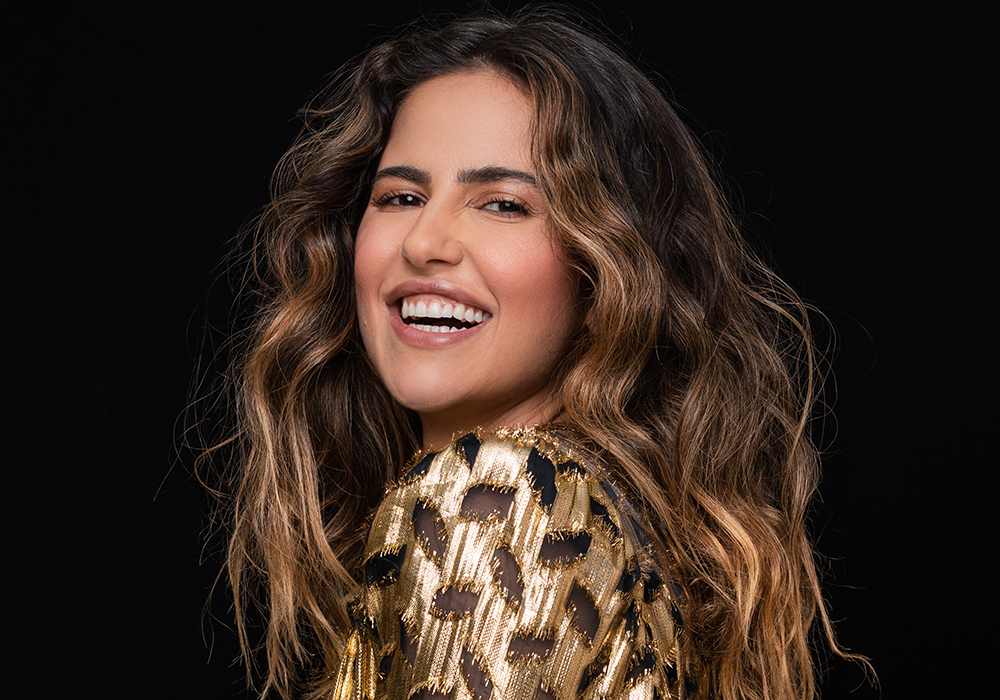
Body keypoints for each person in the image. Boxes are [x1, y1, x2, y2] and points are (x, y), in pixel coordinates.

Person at [215, 11, 859, 700]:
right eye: (400, 196)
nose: (424, 241)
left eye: (502, 205)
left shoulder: (494, 499)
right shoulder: (597, 524)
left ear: (607, 272)